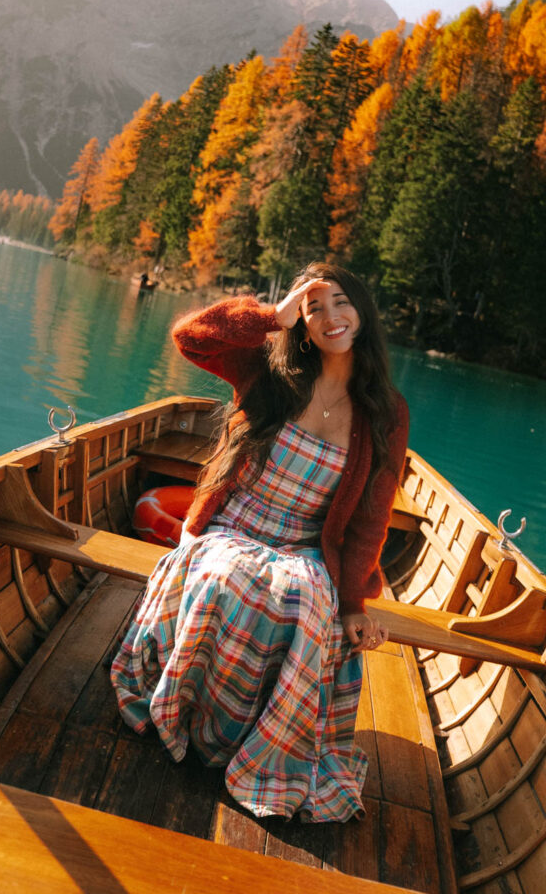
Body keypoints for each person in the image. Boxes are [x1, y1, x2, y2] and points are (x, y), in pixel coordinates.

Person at [111, 261, 409, 822]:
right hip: (236, 526)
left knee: (303, 602)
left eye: (342, 301)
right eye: (315, 307)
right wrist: (270, 316)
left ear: (363, 312)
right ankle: (188, 715)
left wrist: (351, 605)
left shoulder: (387, 413)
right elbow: (191, 338)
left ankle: (249, 741)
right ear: (301, 320)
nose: (330, 317)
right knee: (227, 579)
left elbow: (371, 518)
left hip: (304, 548)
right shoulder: (270, 374)